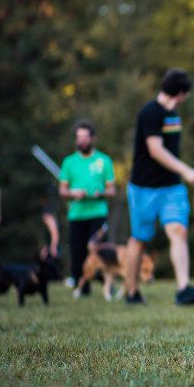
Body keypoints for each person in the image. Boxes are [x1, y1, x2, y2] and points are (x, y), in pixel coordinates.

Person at [124, 68, 194, 306]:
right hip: (144, 188)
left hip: (172, 187)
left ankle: (183, 289)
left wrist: (180, 174)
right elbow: (155, 150)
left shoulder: (173, 114)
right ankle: (132, 291)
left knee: (178, 230)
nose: (187, 98)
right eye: (187, 93)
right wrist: (187, 171)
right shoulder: (150, 112)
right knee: (140, 239)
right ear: (180, 92)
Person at [59, 121, 116, 296]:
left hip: (97, 212)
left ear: (92, 138)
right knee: (77, 252)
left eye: (85, 137)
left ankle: (107, 284)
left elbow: (112, 190)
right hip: (76, 213)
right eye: (79, 137)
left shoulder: (104, 161)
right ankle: (81, 287)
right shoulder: (69, 162)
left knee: (101, 252)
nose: (82, 141)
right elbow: (62, 190)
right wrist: (73, 193)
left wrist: (101, 193)